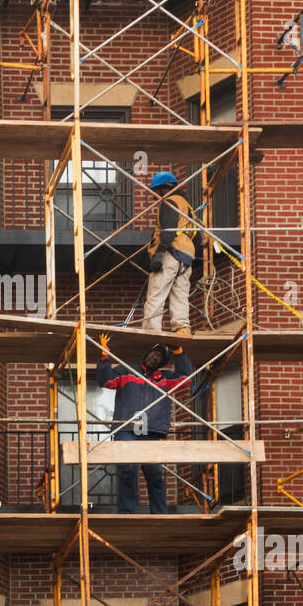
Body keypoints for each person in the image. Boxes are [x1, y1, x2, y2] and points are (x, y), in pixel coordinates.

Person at [97, 332, 193, 514]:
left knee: (154, 473)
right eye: (153, 353)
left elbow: (186, 379)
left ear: (162, 362)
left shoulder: (165, 378)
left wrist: (180, 353)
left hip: (151, 430)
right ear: (146, 354)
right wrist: (104, 355)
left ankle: (160, 514)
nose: (155, 357)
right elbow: (106, 381)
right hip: (127, 428)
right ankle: (127, 513)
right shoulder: (127, 370)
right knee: (128, 469)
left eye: (159, 356)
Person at [142, 171, 198, 335]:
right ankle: (181, 328)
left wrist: (159, 253)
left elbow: (169, 230)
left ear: (162, 189)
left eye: (156, 193)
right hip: (186, 256)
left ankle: (151, 331)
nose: (155, 197)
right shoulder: (187, 206)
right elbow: (197, 236)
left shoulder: (170, 202)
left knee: (156, 293)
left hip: (170, 252)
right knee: (180, 294)